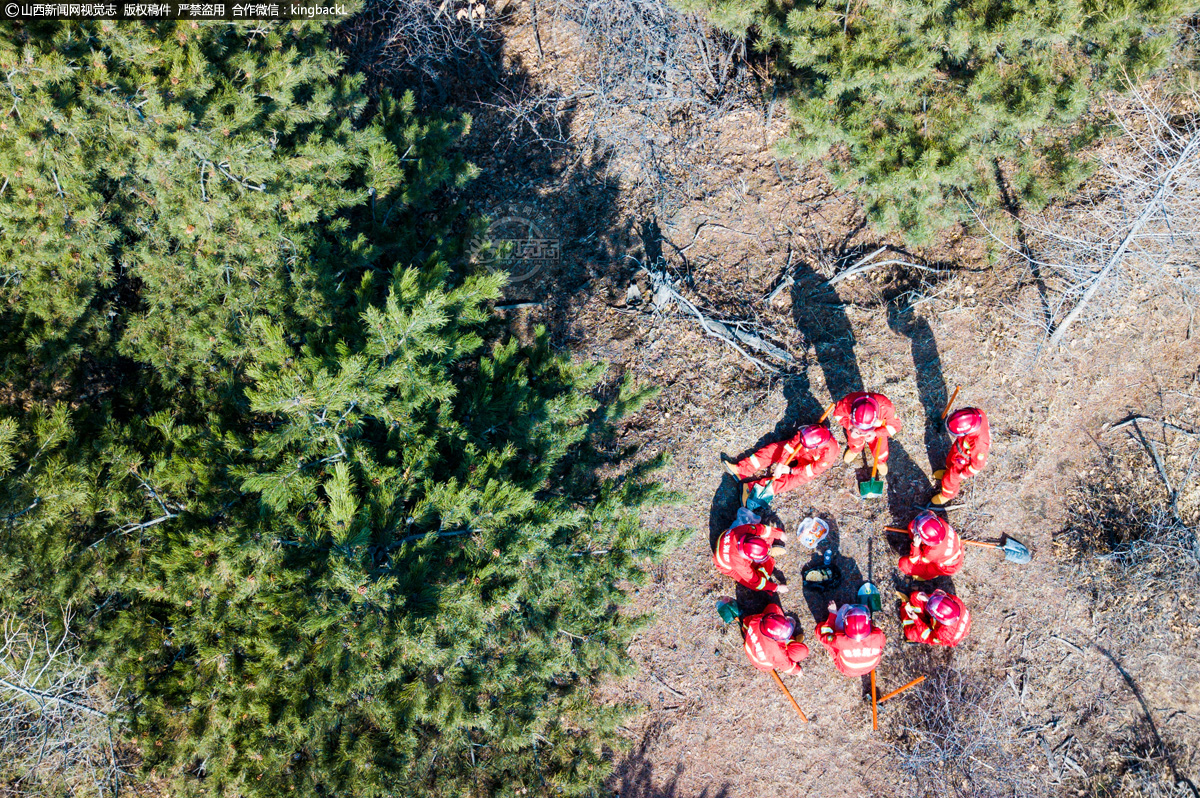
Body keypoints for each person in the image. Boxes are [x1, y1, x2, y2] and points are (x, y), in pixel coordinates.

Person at [724, 425, 839, 511]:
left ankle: (752, 489)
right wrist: (780, 463)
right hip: (802, 449)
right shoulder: (807, 431)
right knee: (774, 450)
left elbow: (811, 470)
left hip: (810, 464)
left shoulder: (830, 452)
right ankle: (741, 470)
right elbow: (790, 445)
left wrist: (790, 470)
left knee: (790, 481)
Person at [713, 507, 789, 593]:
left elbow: (760, 529)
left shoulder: (742, 531)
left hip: (726, 543)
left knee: (766, 534)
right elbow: (756, 582)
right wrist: (776, 588)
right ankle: (769, 559)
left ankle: (767, 550)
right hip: (729, 567)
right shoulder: (740, 565)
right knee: (755, 584)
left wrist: (779, 534)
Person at [931, 408, 991, 506]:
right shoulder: (974, 414)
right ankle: (946, 471)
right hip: (960, 447)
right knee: (949, 460)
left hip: (963, 462)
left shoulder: (979, 444)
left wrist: (963, 474)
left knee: (951, 479)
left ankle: (947, 494)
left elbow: (977, 466)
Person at [831, 392, 901, 475]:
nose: (863, 432)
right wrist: (850, 427)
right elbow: (838, 414)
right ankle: (855, 450)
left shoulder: (886, 407)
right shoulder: (847, 403)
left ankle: (880, 461)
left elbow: (895, 426)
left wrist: (876, 433)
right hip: (854, 428)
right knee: (854, 441)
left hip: (877, 430)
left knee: (880, 449)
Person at [815, 601, 886, 677]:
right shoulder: (878, 636)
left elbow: (823, 636)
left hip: (847, 670)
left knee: (820, 629)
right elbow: (882, 644)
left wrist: (833, 613)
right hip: (870, 667)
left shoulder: (840, 640)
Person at [897, 510, 964, 580]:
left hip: (947, 566)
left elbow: (917, 561)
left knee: (904, 565)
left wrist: (915, 546)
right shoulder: (939, 523)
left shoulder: (932, 553)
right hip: (954, 550)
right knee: (912, 526)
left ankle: (927, 575)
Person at [743, 604, 809, 674]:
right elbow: (787, 667)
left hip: (750, 643)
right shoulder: (779, 653)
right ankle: (792, 648)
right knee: (799, 652)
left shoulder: (758, 619)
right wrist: (798, 671)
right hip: (761, 664)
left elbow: (746, 623)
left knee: (773, 608)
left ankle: (792, 644)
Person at [900, 589, 972, 647]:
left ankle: (905, 607)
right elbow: (940, 599)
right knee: (915, 596)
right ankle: (914, 610)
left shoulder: (944, 634)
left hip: (941, 634)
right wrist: (928, 598)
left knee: (910, 633)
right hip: (945, 624)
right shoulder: (956, 601)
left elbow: (929, 635)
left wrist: (916, 619)